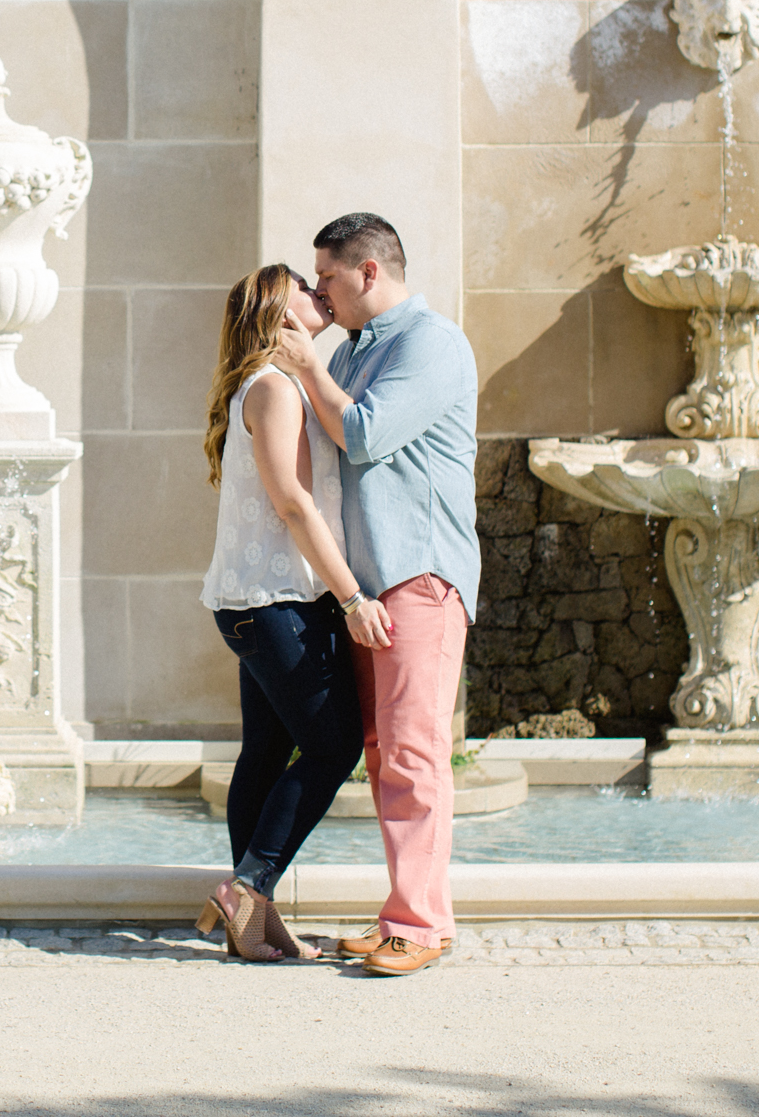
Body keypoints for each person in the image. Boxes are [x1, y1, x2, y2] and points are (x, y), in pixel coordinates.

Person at [274, 213, 481, 977]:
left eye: (325, 274)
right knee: (385, 751)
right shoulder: (360, 351)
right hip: (371, 586)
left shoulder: (430, 342)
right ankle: (412, 912)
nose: (318, 288)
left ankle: (419, 922)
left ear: (367, 271)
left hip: (419, 575)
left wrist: (305, 365)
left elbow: (362, 434)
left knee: (415, 750)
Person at [195, 262, 394, 964]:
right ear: (279, 316)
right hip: (276, 602)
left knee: (266, 752)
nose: (319, 295)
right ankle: (249, 882)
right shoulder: (276, 389)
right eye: (303, 291)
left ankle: (254, 917)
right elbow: (293, 504)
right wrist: (353, 597)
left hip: (254, 601)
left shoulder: (275, 384)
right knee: (336, 745)